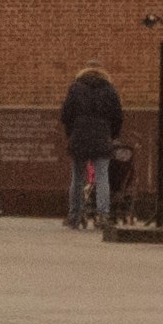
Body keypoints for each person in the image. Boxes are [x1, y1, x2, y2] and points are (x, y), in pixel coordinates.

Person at [60, 64, 125, 228]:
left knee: (77, 177)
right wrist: (113, 135)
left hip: (79, 135)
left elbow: (66, 114)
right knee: (102, 176)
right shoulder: (110, 90)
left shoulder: (75, 88)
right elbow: (118, 116)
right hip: (102, 135)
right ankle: (103, 215)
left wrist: (71, 133)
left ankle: (74, 216)